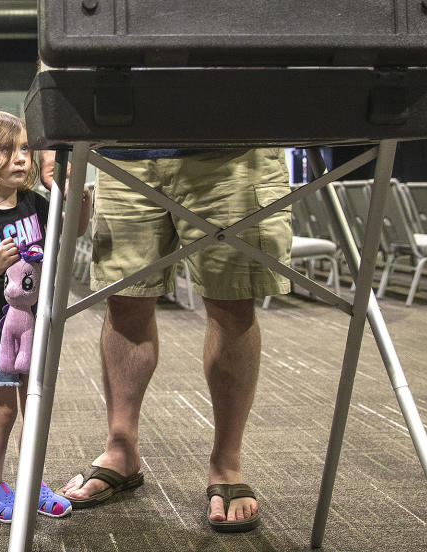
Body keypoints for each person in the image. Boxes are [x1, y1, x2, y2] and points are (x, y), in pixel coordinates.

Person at [40, 146, 291, 533]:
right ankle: (121, 450)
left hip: (231, 148)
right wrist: (49, 139)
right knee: (124, 300)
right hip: (124, 149)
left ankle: (227, 462)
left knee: (232, 300)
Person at [0, 110, 90, 523]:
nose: (20, 158)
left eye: (24, 149)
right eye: (6, 150)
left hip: (36, 326)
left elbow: (72, 232)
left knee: (34, 406)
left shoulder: (33, 202)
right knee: (4, 412)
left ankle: (32, 483)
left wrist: (80, 202)